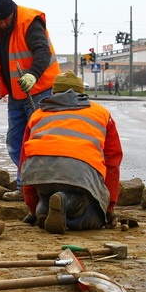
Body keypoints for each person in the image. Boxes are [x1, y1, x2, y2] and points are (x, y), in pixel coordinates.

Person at [0, 0, 61, 198]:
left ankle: (44, 186)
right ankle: (28, 187)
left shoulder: (30, 21)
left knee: (39, 140)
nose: (3, 24)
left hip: (41, 89)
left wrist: (33, 74)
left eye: (5, 19)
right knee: (15, 141)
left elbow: (43, 51)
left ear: (13, 11)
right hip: (17, 93)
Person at [19, 71, 122, 234]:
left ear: (53, 93)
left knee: (47, 194)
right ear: (82, 93)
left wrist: (32, 207)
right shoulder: (101, 113)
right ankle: (68, 202)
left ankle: (43, 208)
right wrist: (108, 208)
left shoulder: (37, 115)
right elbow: (112, 161)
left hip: (39, 173)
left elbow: (25, 158)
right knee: (93, 217)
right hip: (78, 174)